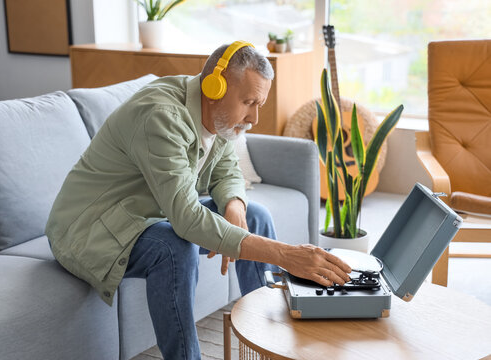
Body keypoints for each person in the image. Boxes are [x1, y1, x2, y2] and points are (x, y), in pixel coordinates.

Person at [45, 41, 352, 359]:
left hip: (146, 213)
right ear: (214, 87)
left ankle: (270, 345)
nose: (255, 118)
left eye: (258, 103)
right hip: (89, 228)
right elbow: (186, 218)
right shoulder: (161, 117)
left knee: (255, 216)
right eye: (248, 102)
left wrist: (234, 206)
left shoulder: (219, 119)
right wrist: (286, 255)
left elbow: (227, 170)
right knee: (172, 246)